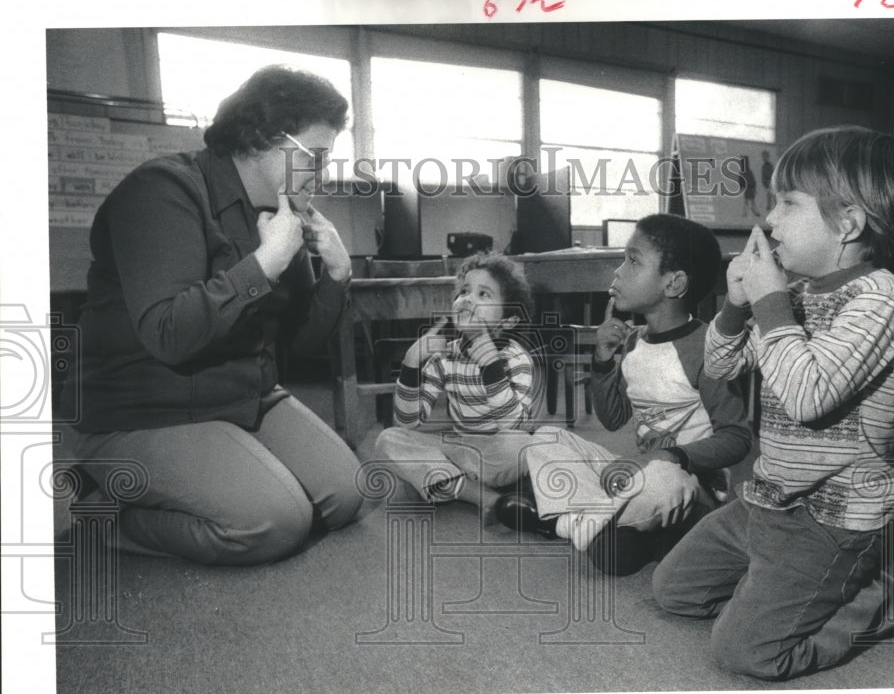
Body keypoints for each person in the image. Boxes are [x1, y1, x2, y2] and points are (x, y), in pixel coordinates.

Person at [653, 125, 894, 679]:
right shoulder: (797, 296)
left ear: (848, 223)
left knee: (746, 652)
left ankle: (884, 596)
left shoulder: (880, 299)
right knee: (674, 591)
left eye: (788, 203)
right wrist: (736, 307)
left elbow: (808, 396)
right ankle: (806, 581)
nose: (769, 220)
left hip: (831, 517)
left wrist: (770, 301)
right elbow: (721, 367)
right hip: (769, 501)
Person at [67, 65, 364, 565]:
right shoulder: (162, 189)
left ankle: (223, 476)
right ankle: (100, 512)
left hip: (241, 396)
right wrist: (265, 264)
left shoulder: (282, 211)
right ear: (264, 138)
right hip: (147, 410)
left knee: (347, 494)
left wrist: (337, 274)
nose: (323, 172)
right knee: (276, 521)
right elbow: (168, 335)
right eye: (316, 156)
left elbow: (298, 346)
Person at [494, 214, 753, 575]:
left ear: (674, 283)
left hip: (692, 488)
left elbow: (737, 437)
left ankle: (567, 524)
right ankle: (617, 530)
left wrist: (670, 455)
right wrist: (602, 360)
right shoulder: (634, 341)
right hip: (638, 475)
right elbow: (612, 417)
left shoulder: (709, 348)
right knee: (545, 437)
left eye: (633, 261)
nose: (617, 272)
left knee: (661, 480)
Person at [373, 254, 542, 522]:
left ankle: (444, 481)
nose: (466, 299)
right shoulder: (444, 356)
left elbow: (516, 426)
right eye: (464, 291)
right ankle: (486, 497)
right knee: (388, 439)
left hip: (497, 452)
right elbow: (408, 421)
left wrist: (491, 367)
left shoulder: (516, 358)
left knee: (523, 445)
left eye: (483, 294)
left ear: (507, 321)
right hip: (461, 448)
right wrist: (410, 364)